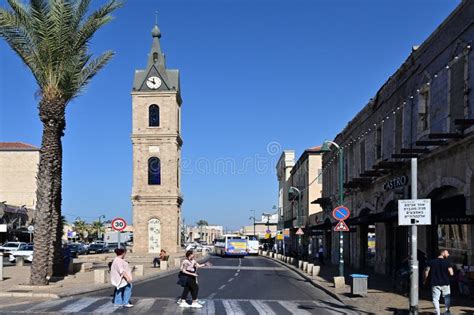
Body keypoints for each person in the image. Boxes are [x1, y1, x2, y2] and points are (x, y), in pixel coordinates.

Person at [423, 249, 454, 315]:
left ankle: (437, 313)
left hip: (435, 283)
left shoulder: (431, 262)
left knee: (435, 299)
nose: (448, 254)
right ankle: (447, 311)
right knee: (447, 297)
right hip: (445, 283)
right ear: (442, 253)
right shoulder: (447, 263)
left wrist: (425, 280)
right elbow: (451, 273)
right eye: (447, 253)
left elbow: (426, 272)